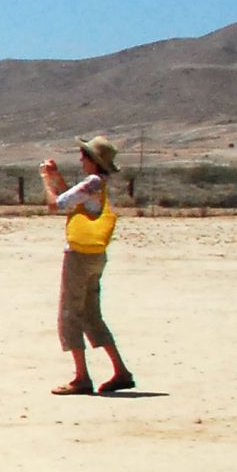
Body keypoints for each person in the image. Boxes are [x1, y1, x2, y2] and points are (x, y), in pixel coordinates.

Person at [40, 134, 135, 395]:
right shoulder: (97, 184)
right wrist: (57, 177)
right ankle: (120, 371)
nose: (81, 160)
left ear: (93, 160)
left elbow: (56, 204)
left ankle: (81, 377)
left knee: (70, 313)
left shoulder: (92, 182)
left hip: (79, 256)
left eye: (84, 156)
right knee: (92, 314)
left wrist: (46, 181)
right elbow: (73, 200)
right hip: (95, 254)